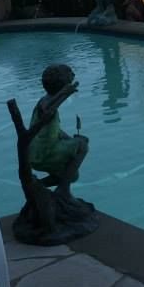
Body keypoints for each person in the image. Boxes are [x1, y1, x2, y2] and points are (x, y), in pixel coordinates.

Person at [28, 64, 89, 199]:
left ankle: (37, 186)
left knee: (72, 175)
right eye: (70, 74)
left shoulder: (44, 100)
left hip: (36, 154)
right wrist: (63, 94)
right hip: (44, 154)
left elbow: (54, 130)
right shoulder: (47, 104)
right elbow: (47, 110)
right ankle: (64, 190)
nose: (73, 75)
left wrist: (70, 140)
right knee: (83, 146)